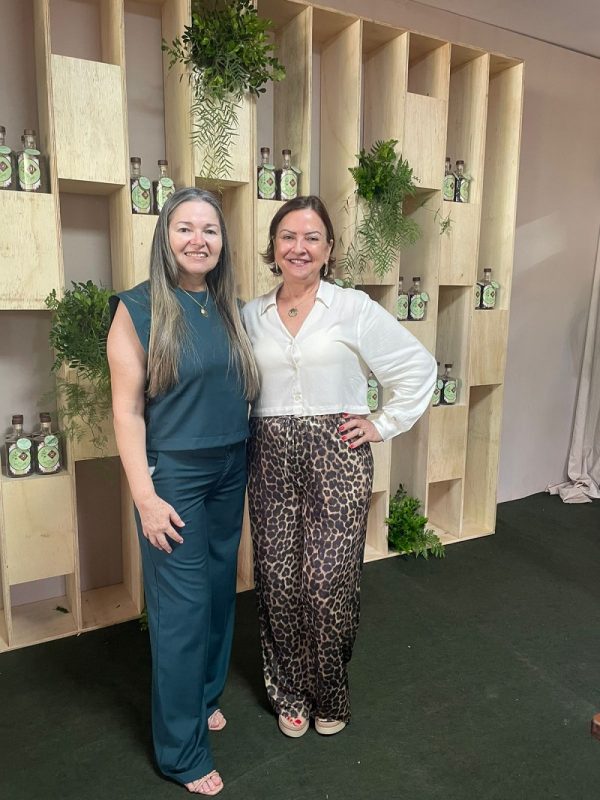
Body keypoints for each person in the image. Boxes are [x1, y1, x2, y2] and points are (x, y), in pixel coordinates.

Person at [242, 195, 436, 738]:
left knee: (327, 582)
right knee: (278, 582)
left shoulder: (353, 308)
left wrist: (382, 423)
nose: (299, 247)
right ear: (273, 246)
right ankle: (289, 691)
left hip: (338, 458)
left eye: (312, 238)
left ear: (329, 249)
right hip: (269, 456)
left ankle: (330, 692)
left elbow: (417, 366)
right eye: (288, 236)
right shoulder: (250, 315)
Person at [107, 187, 258, 796]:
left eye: (210, 230)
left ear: (222, 243)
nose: (199, 240)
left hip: (231, 465)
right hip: (174, 476)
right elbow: (126, 413)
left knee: (220, 593)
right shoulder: (137, 308)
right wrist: (145, 497)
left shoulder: (229, 308)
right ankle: (181, 752)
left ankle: (204, 696)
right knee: (182, 611)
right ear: (165, 238)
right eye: (185, 228)